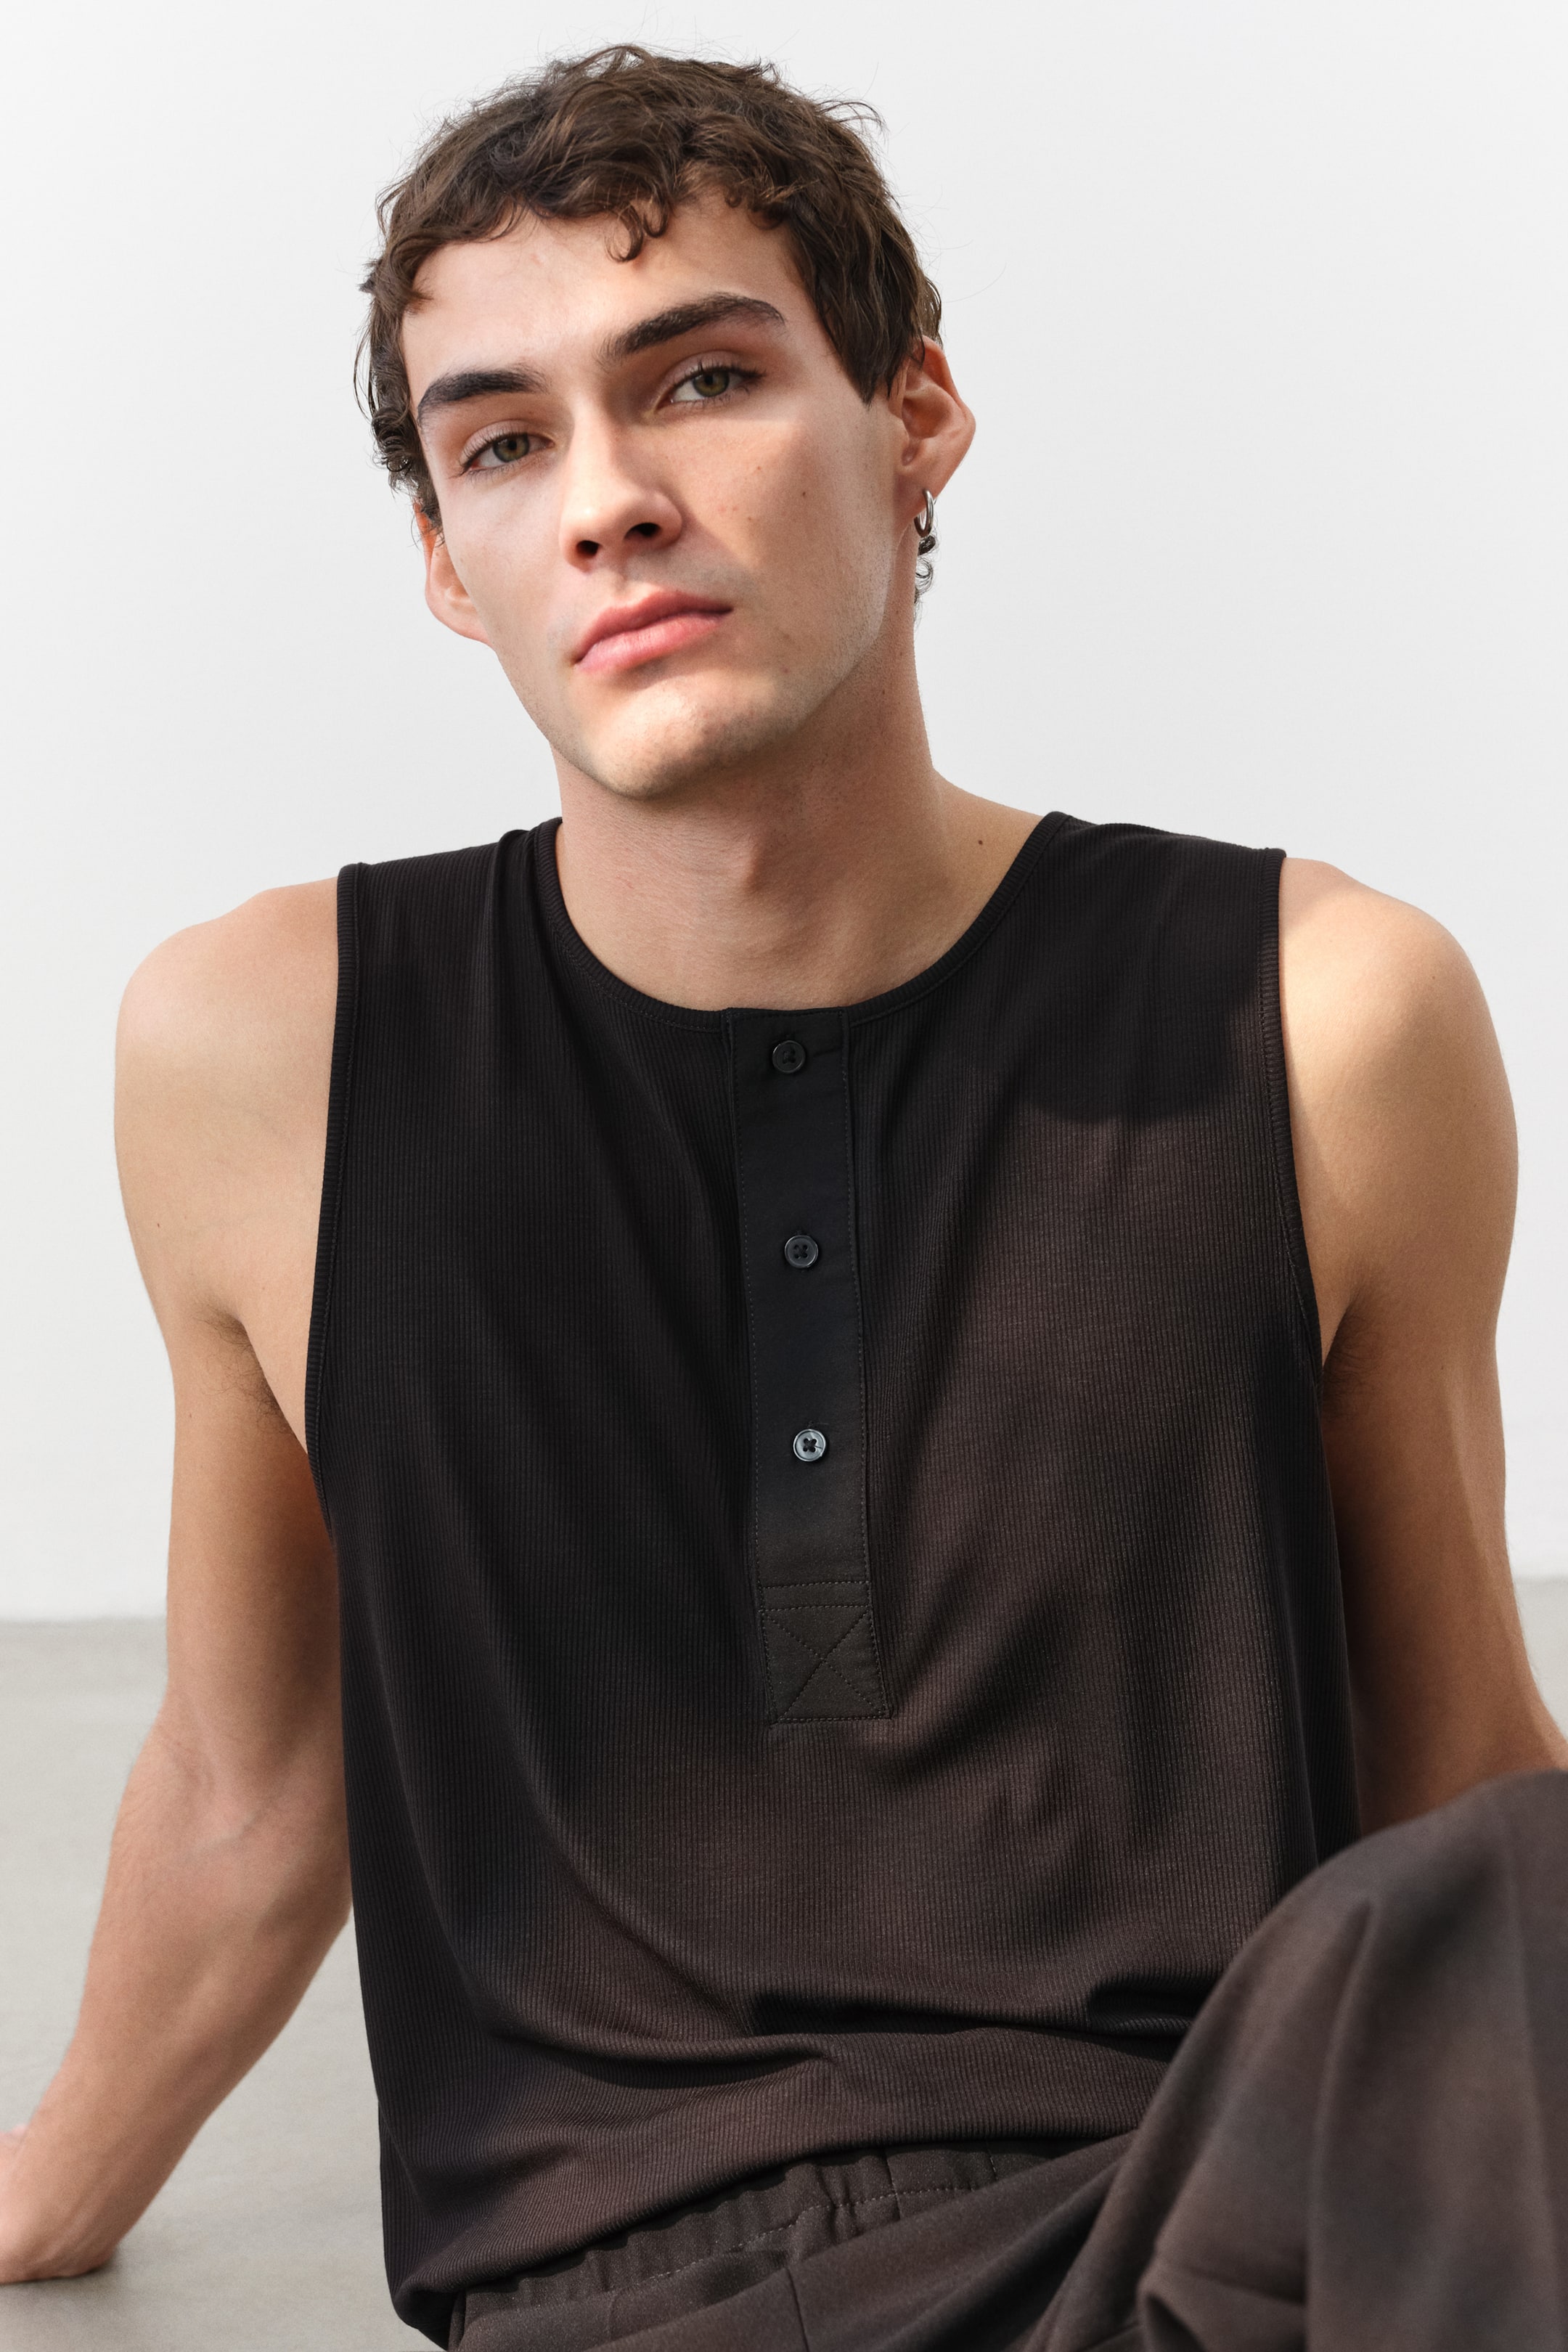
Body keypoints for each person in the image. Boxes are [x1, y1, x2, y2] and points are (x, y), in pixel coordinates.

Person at [1, 45, 1564, 2352]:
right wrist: (40, 2195)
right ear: (444, 564)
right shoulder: (266, 1052)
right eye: (502, 444)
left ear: (913, 410)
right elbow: (257, 1780)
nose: (609, 504)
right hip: (612, 2295)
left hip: (1196, 2248)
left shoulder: (1323, 1016)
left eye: (704, 381)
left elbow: (1458, 1780)